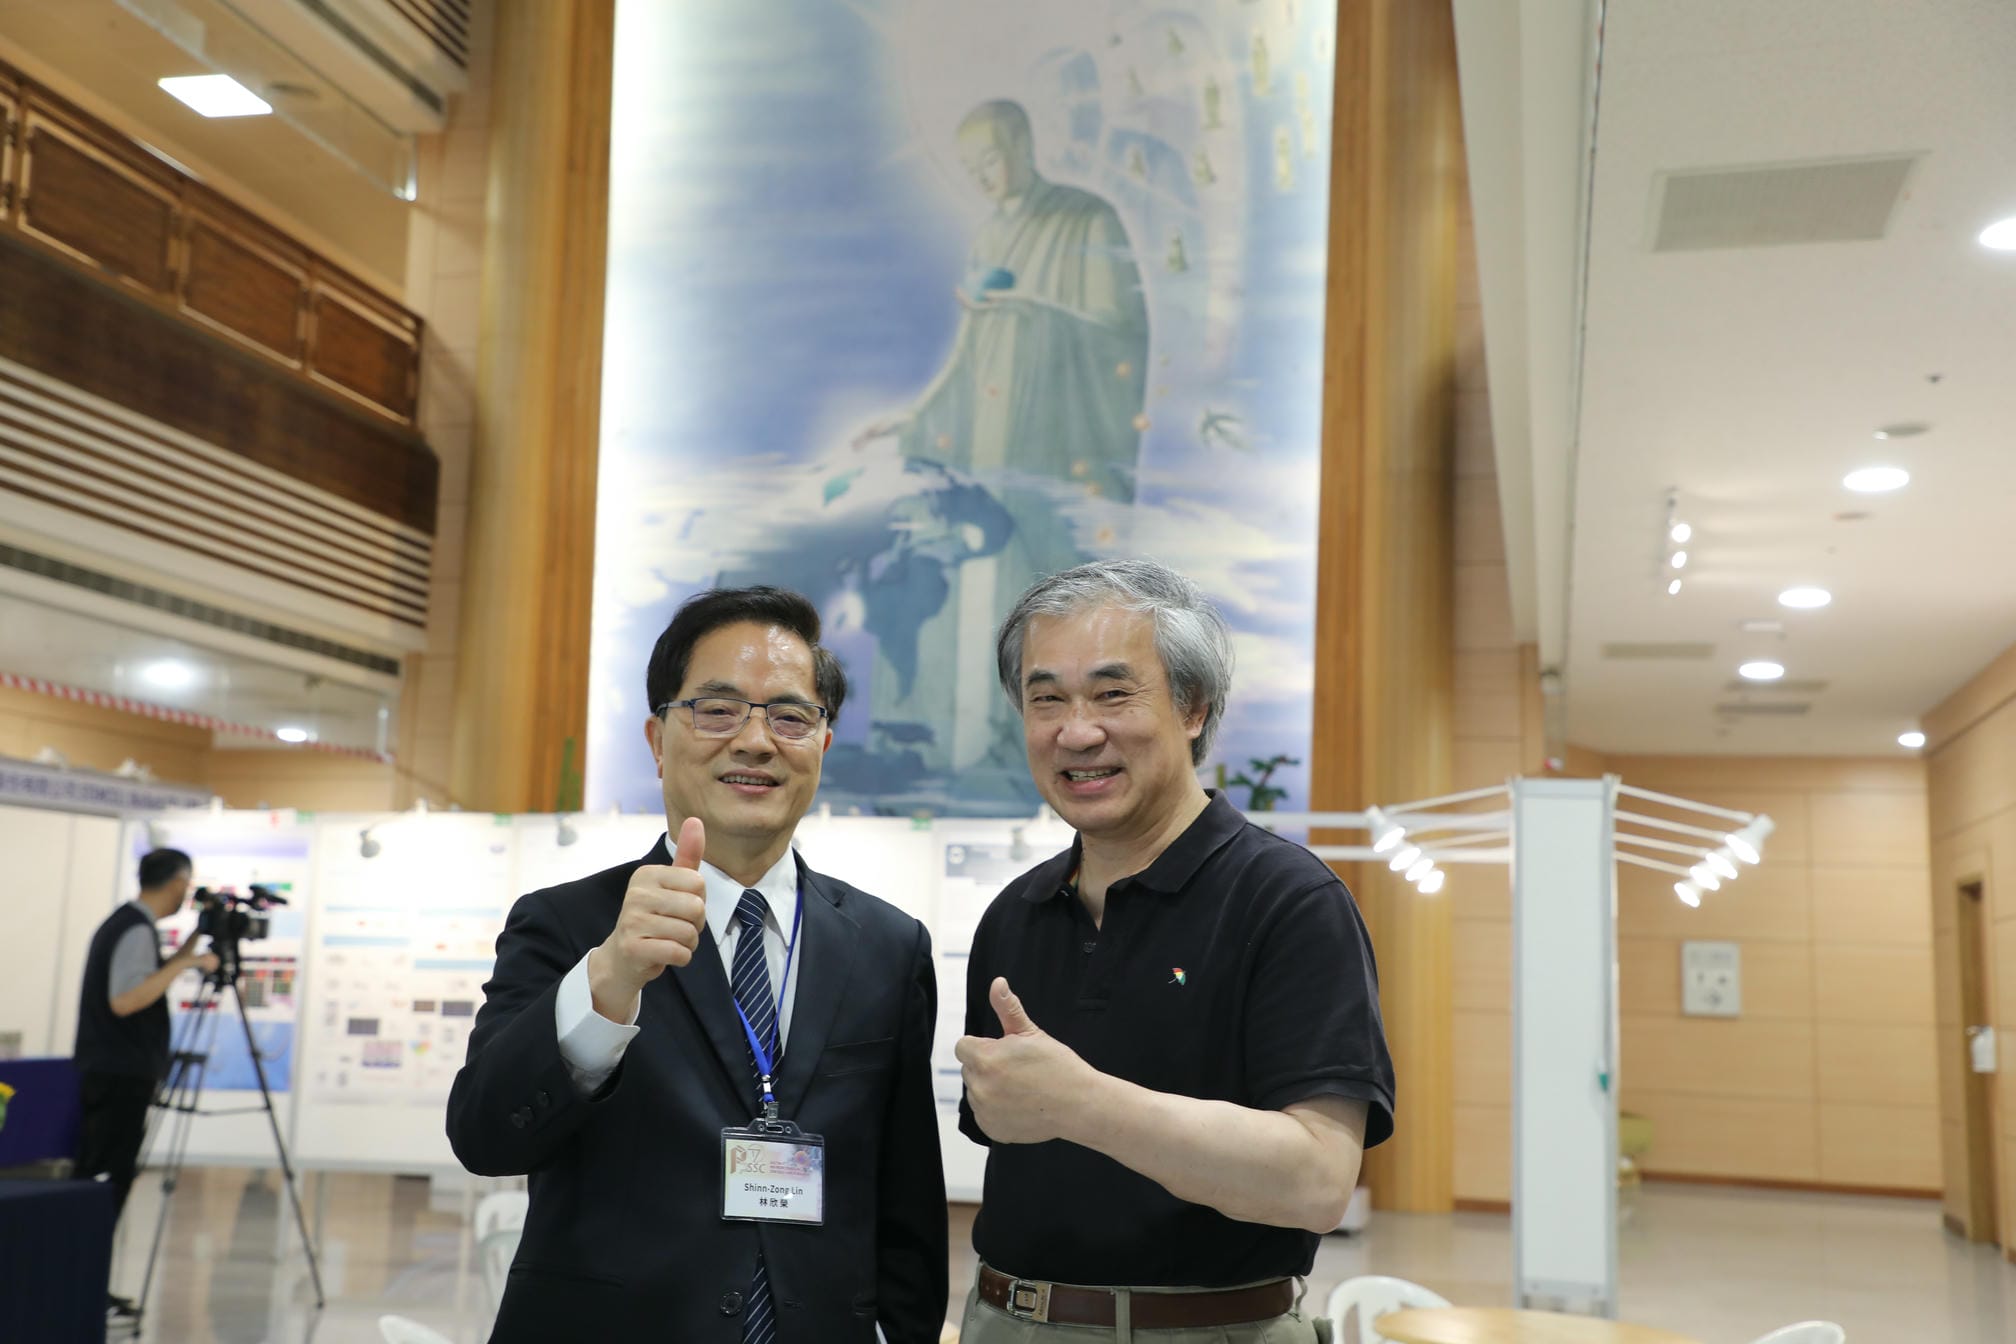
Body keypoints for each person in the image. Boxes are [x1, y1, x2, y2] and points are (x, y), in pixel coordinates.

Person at [448, 586, 947, 1343]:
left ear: (822, 745)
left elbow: (907, 1196)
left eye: (790, 716)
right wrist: (608, 981)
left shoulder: (888, 944)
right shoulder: (570, 924)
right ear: (657, 740)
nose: (756, 741)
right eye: (718, 710)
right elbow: (486, 1137)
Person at [954, 559, 1395, 1341]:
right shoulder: (1014, 916)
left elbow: (1318, 1181)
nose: (1076, 731)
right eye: (1046, 698)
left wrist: (1084, 1102)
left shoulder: (1289, 902)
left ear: (1193, 707)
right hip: (1005, 1320)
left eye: (1112, 694)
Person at [855, 99, 1151, 783]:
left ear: (1022, 146)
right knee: (990, 593)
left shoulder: (1086, 218)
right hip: (991, 451)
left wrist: (1025, 314)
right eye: (972, 168)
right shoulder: (991, 235)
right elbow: (970, 354)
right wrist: (914, 417)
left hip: (1052, 454)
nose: (985, 176)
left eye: (991, 158)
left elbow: (1118, 335)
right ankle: (994, 735)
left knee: (1054, 600)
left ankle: (1060, 749)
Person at [75, 847, 218, 1321]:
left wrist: (193, 942)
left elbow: (145, 980)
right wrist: (186, 966)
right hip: (118, 1079)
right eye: (187, 884)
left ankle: (88, 1286)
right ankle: (84, 1290)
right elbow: (125, 1001)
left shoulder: (128, 925)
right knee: (106, 1184)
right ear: (176, 882)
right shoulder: (135, 930)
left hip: (113, 1074)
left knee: (105, 1182)